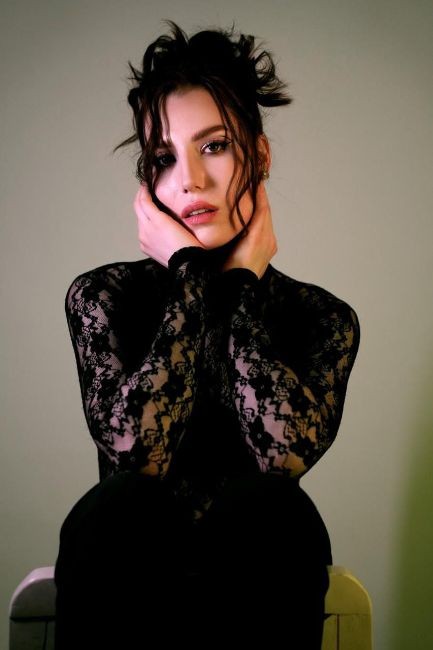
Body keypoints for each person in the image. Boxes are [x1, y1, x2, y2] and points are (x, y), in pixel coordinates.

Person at [54, 20, 360, 650]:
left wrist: (241, 285)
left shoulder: (322, 317)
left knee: (271, 508)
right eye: (164, 159)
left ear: (260, 154)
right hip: (127, 580)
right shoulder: (104, 296)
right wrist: (191, 276)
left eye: (214, 146)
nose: (190, 179)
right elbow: (139, 456)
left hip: (260, 585)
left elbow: (282, 456)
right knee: (124, 505)